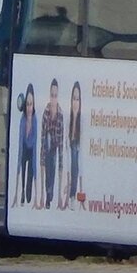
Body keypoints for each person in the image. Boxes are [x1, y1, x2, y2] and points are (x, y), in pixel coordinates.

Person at [38, 78, 63, 209]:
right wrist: (42, 159)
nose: (53, 98)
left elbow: (61, 142)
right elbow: (42, 138)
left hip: (54, 148)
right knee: (48, 166)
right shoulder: (45, 113)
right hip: (47, 147)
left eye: (56, 96)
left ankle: (50, 194)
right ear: (50, 95)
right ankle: (47, 195)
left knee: (52, 168)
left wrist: (61, 164)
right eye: (52, 95)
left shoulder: (60, 114)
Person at [12, 83, 37, 208]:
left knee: (30, 173)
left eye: (31, 104)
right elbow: (20, 146)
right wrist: (17, 167)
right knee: (23, 168)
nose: (29, 108)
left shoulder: (35, 120)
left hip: (31, 149)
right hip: (24, 149)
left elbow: (36, 145)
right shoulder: (22, 120)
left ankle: (28, 194)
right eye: (27, 104)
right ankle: (21, 193)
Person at [62, 81, 82, 210]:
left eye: (78, 99)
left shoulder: (82, 120)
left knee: (75, 163)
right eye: (74, 99)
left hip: (76, 152)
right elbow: (65, 141)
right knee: (71, 161)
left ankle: (72, 196)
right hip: (68, 150)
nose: (75, 102)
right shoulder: (67, 118)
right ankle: (67, 195)